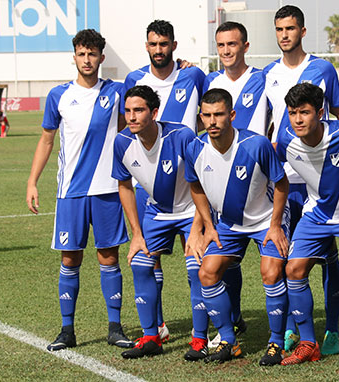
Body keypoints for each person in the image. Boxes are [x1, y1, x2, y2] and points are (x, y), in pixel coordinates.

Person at [26, 29, 132, 352]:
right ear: (74, 57)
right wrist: (32, 181)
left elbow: (136, 116)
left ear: (101, 57)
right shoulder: (58, 96)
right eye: (82, 54)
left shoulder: (117, 92)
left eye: (93, 54)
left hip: (107, 190)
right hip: (70, 192)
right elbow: (46, 140)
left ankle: (115, 327)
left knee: (108, 256)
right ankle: (67, 330)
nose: (87, 60)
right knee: (70, 259)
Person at [184, 88, 289, 365]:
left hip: (266, 219)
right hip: (229, 224)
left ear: (231, 115)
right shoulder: (195, 147)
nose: (212, 121)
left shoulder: (256, 145)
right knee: (206, 273)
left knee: (270, 272)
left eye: (218, 114)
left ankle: (277, 342)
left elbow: (281, 183)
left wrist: (276, 225)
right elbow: (195, 186)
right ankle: (228, 341)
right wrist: (208, 225)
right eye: (206, 115)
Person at [265, 4, 339, 354]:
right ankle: (289, 328)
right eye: (280, 29)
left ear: (302, 31)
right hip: (284, 182)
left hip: (319, 178)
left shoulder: (323, 69)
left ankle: (331, 329)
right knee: (285, 259)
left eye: (291, 28)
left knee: (327, 256)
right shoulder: (267, 73)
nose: (285, 35)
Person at [275, 83, 339, 366]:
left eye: (304, 112)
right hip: (317, 215)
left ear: (320, 112)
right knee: (293, 269)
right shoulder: (286, 139)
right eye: (292, 112)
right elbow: (271, 168)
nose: (297, 119)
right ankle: (308, 343)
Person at [123, 20, 211, 343]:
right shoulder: (134, 79)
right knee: (148, 258)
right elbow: (128, 127)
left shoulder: (193, 75)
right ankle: (156, 326)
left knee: (200, 260)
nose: (158, 50)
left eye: (164, 44)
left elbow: (213, 110)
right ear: (146, 46)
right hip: (150, 187)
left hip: (190, 184)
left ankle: (216, 324)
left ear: (174, 45)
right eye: (153, 44)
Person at [111, 85, 199, 359]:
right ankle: (152, 336)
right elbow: (124, 186)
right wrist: (136, 233)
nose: (131, 117)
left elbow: (202, 181)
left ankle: (200, 338)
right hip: (157, 212)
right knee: (139, 263)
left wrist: (199, 226)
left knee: (197, 269)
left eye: (138, 110)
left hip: (190, 211)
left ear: (154, 112)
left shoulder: (181, 135)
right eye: (127, 111)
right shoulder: (122, 142)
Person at [203, 21, 268, 136]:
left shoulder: (263, 79)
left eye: (232, 44)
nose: (226, 51)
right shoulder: (210, 80)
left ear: (245, 46)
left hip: (254, 152)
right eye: (221, 45)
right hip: (220, 153)